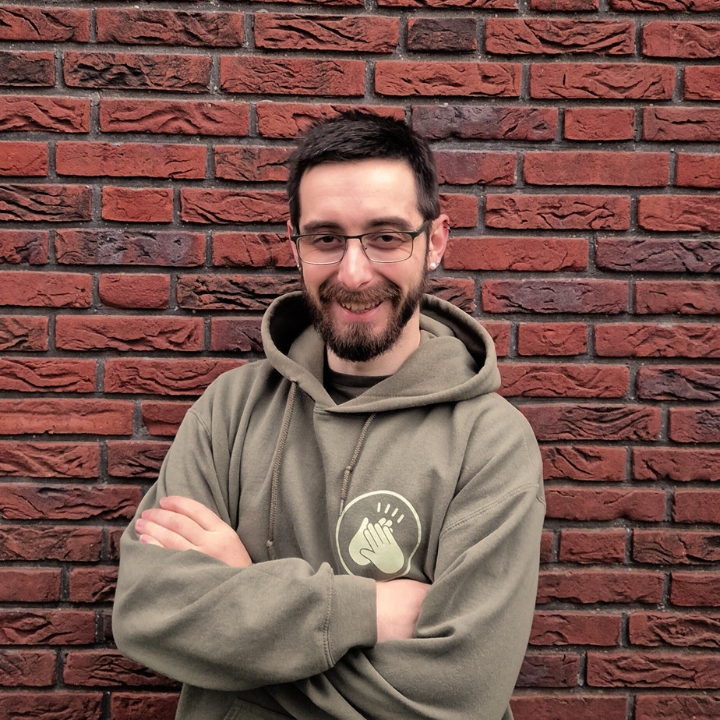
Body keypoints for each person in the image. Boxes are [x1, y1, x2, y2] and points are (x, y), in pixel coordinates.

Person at [113, 112, 545, 720]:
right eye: (325, 239)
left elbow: (459, 696)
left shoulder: (490, 442)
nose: (354, 273)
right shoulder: (229, 411)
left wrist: (242, 616)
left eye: (386, 237)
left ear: (436, 241)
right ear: (293, 243)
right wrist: (366, 610)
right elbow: (148, 612)